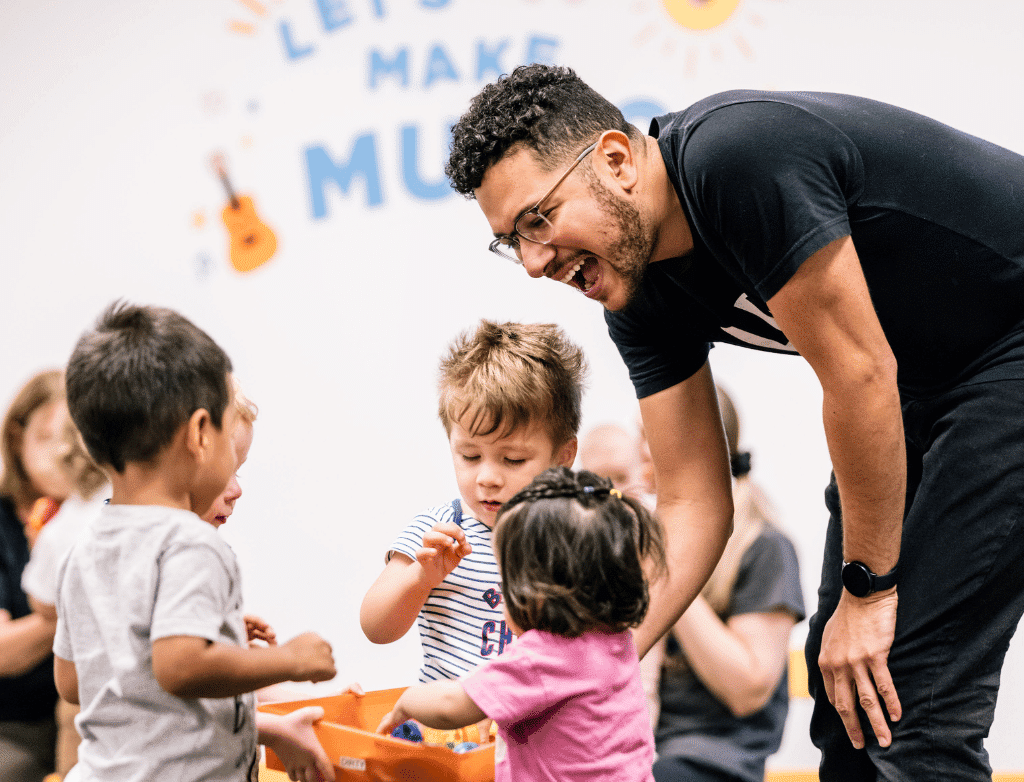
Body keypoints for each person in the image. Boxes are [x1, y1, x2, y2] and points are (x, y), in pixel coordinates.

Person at [445, 63, 1024, 780]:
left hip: (1005, 348)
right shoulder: (638, 295)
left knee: (911, 694)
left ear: (617, 160)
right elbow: (692, 498)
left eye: (539, 218)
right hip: (930, 377)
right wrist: (603, 661)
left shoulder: (737, 159)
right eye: (512, 240)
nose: (533, 261)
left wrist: (869, 592)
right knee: (846, 696)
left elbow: (859, 374)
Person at [54, 302, 337, 781]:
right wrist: (291, 659)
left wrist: (209, 633)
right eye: (231, 440)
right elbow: (180, 667)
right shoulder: (192, 543)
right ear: (201, 433)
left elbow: (74, 680)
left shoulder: (88, 543)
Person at [375, 466, 667, 782]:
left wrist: (408, 701)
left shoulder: (543, 656)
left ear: (537, 593)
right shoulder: (616, 640)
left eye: (506, 583)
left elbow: (450, 705)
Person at [360, 320, 584, 685]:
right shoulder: (439, 531)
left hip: (538, 732)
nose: (487, 478)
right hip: (449, 728)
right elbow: (375, 627)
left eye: (512, 459)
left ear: (563, 456)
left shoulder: (578, 536)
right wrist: (420, 579)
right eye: (470, 456)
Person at [651, 387, 804, 782]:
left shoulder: (766, 548)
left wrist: (669, 567)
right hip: (642, 748)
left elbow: (747, 690)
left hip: (710, 762)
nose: (642, 463)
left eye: (649, 443)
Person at [0, 370, 76, 782]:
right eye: (48, 437)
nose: (63, 453)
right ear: (16, 438)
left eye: (75, 438)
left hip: (94, 717)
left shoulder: (95, 516)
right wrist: (65, 612)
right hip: (16, 723)